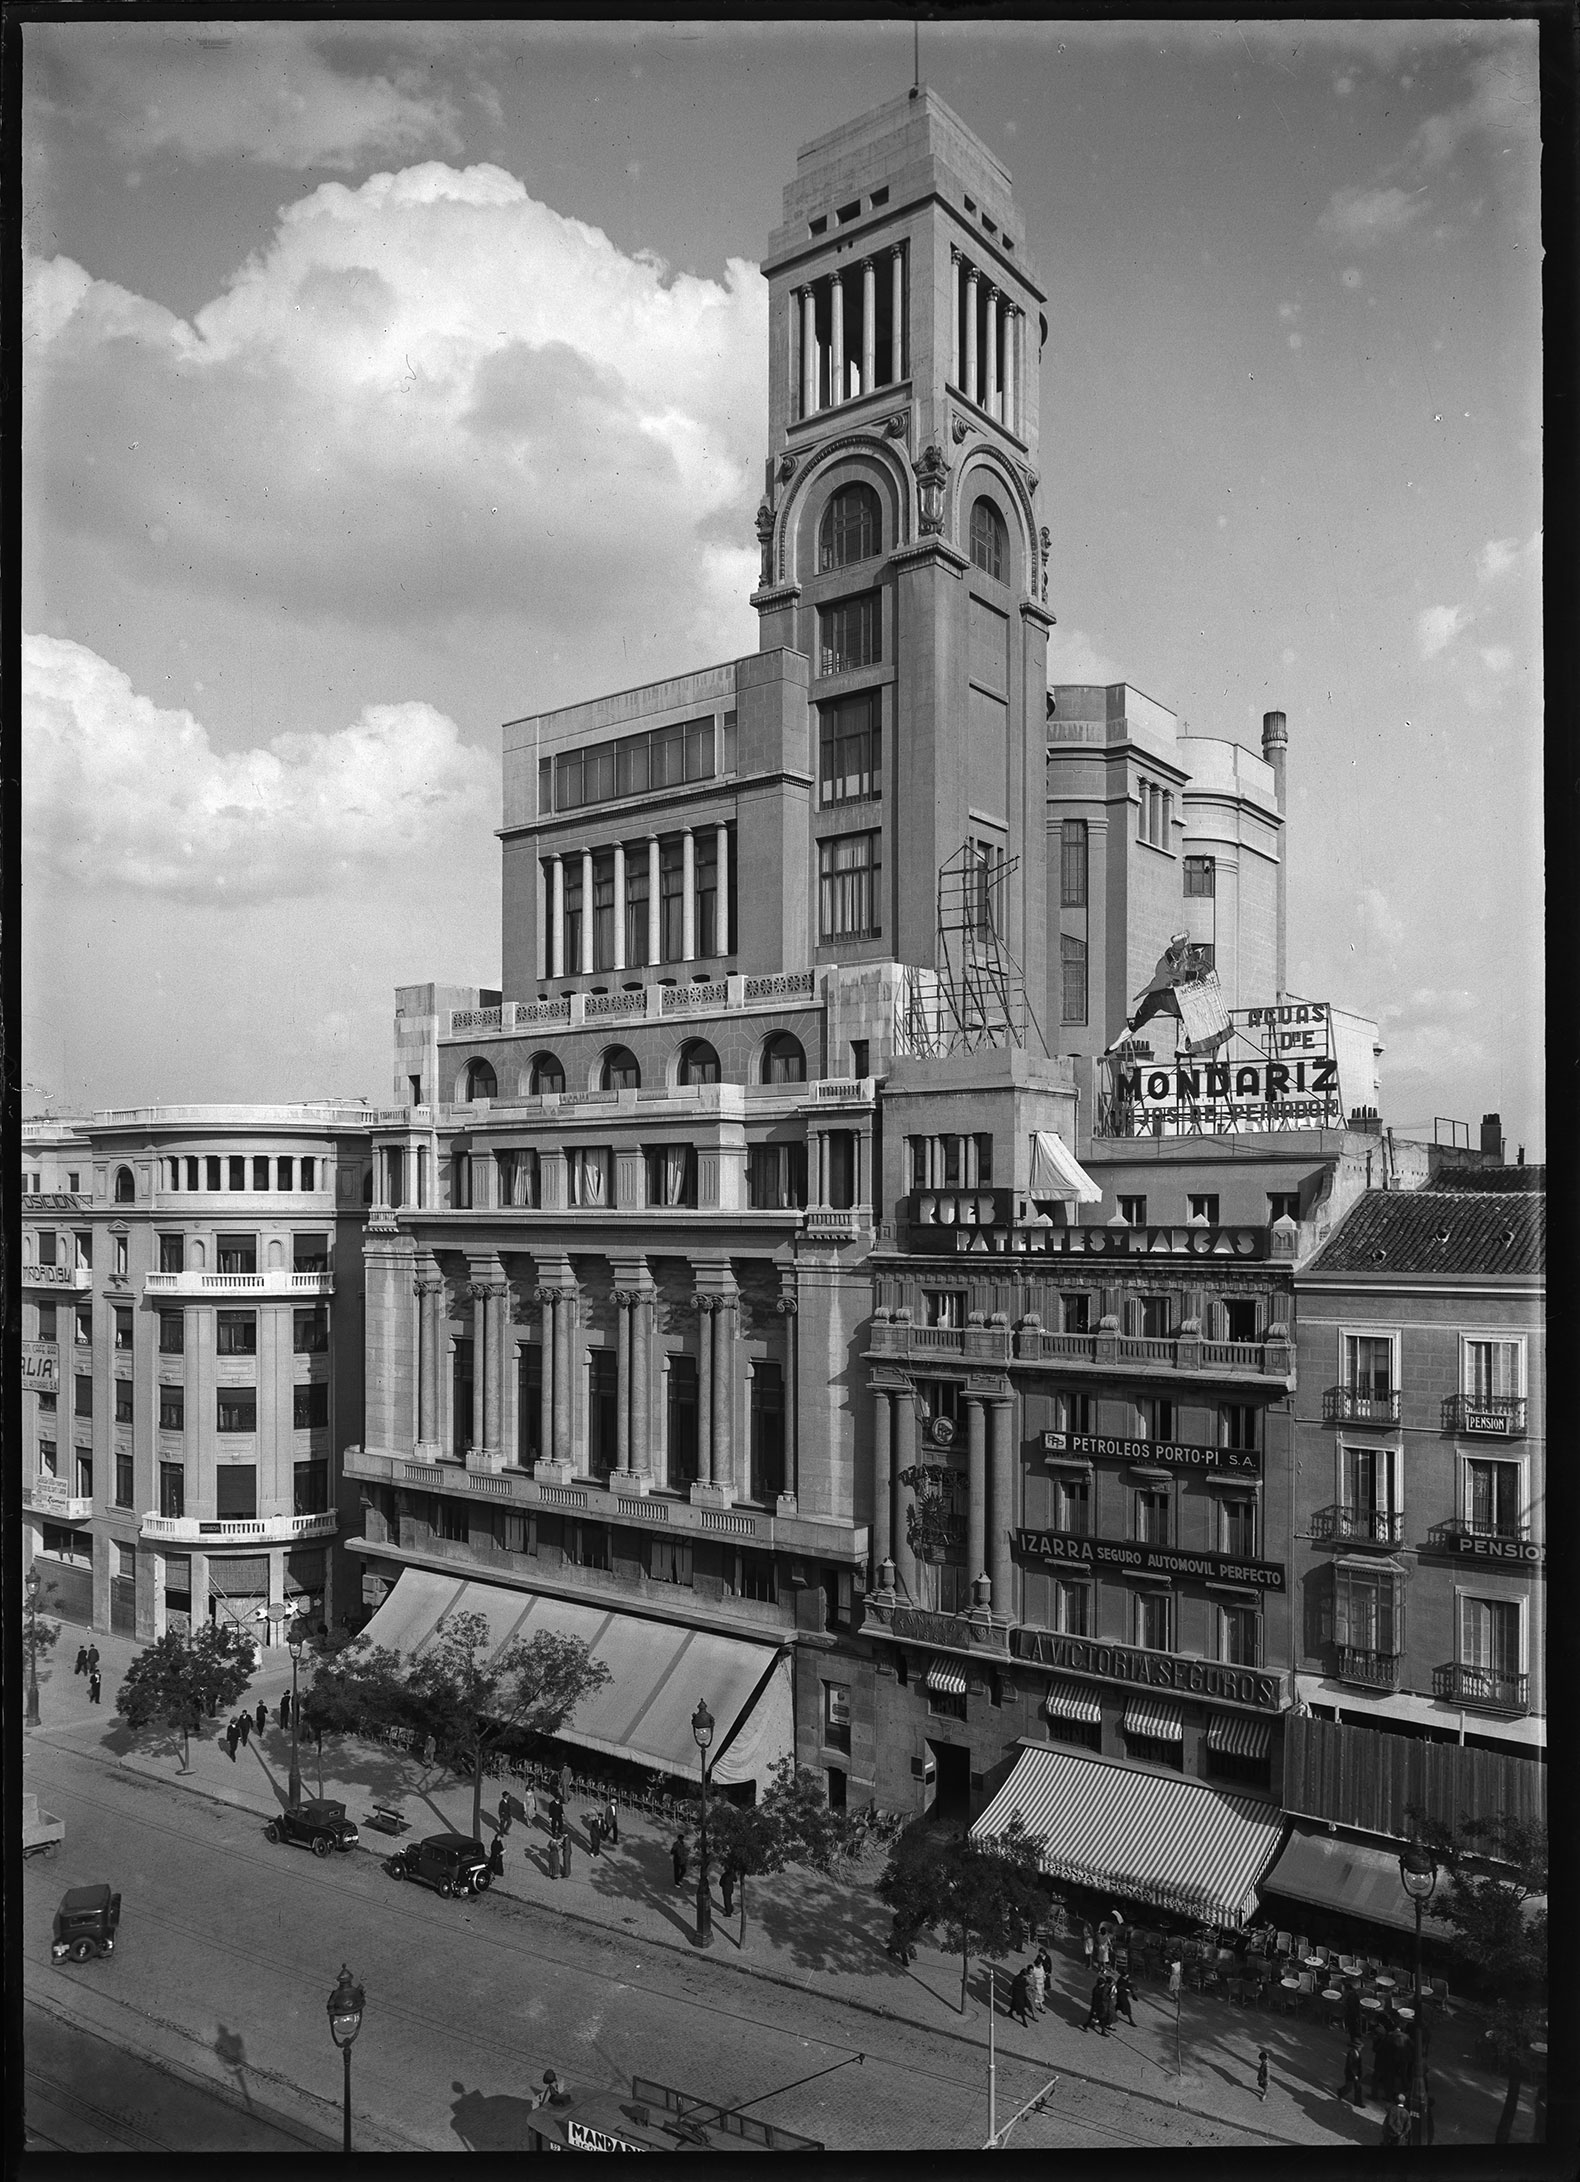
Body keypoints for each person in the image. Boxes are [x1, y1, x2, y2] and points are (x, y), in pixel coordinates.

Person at [1341, 2037, 1366, 2107]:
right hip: (1351, 2074)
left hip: (1357, 2074)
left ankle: (1358, 2102)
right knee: (1348, 2087)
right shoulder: (1351, 2053)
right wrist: (1354, 2075)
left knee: (1358, 2088)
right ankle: (1341, 2092)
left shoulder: (1358, 2053)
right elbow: (1350, 2065)